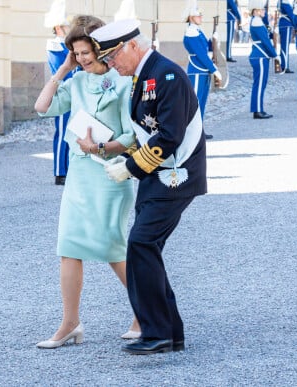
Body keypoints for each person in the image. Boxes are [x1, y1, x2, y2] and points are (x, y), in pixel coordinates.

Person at [91, 18, 208, 355]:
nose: (111, 64)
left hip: (175, 174)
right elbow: (147, 131)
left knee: (142, 243)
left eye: (113, 56)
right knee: (145, 246)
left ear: (132, 45)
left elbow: (169, 135)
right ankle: (167, 332)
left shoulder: (166, 75)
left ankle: (159, 331)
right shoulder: (145, 75)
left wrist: (129, 167)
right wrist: (124, 155)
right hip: (157, 175)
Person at [34, 15, 140, 349]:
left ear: (100, 48)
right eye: (76, 53)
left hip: (110, 175)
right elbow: (42, 107)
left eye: (86, 52)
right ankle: (70, 323)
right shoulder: (76, 81)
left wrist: (100, 147)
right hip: (79, 174)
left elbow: (131, 137)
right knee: (68, 247)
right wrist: (62, 71)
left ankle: (144, 313)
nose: (82, 58)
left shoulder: (123, 82)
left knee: (113, 248)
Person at [44, 0, 74, 185]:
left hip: (75, 91)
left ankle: (69, 167)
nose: (69, 28)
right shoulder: (55, 46)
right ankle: (59, 171)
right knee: (62, 131)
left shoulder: (69, 46)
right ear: (58, 28)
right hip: (63, 92)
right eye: (66, 26)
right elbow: (61, 70)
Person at [183, 2, 222, 140]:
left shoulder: (197, 31)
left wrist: (213, 40)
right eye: (199, 16)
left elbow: (207, 49)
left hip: (202, 70)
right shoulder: (191, 32)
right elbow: (201, 54)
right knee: (196, 102)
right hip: (197, 70)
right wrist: (214, 69)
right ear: (191, 17)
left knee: (202, 102)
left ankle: (198, 130)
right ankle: (192, 132)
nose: (201, 17)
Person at [249, 0, 281, 118]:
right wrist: (275, 55)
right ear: (256, 11)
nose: (264, 11)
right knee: (259, 84)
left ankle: (258, 108)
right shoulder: (257, 22)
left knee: (260, 84)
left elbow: (266, 36)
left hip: (260, 56)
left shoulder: (258, 21)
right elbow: (266, 42)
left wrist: (273, 33)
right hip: (260, 56)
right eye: (262, 10)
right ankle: (257, 110)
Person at [278, 0, 296, 73]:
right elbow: (291, 15)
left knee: (283, 46)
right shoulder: (285, 2)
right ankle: (285, 66)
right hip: (286, 24)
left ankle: (283, 65)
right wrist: (296, 25)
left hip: (283, 23)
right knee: (285, 47)